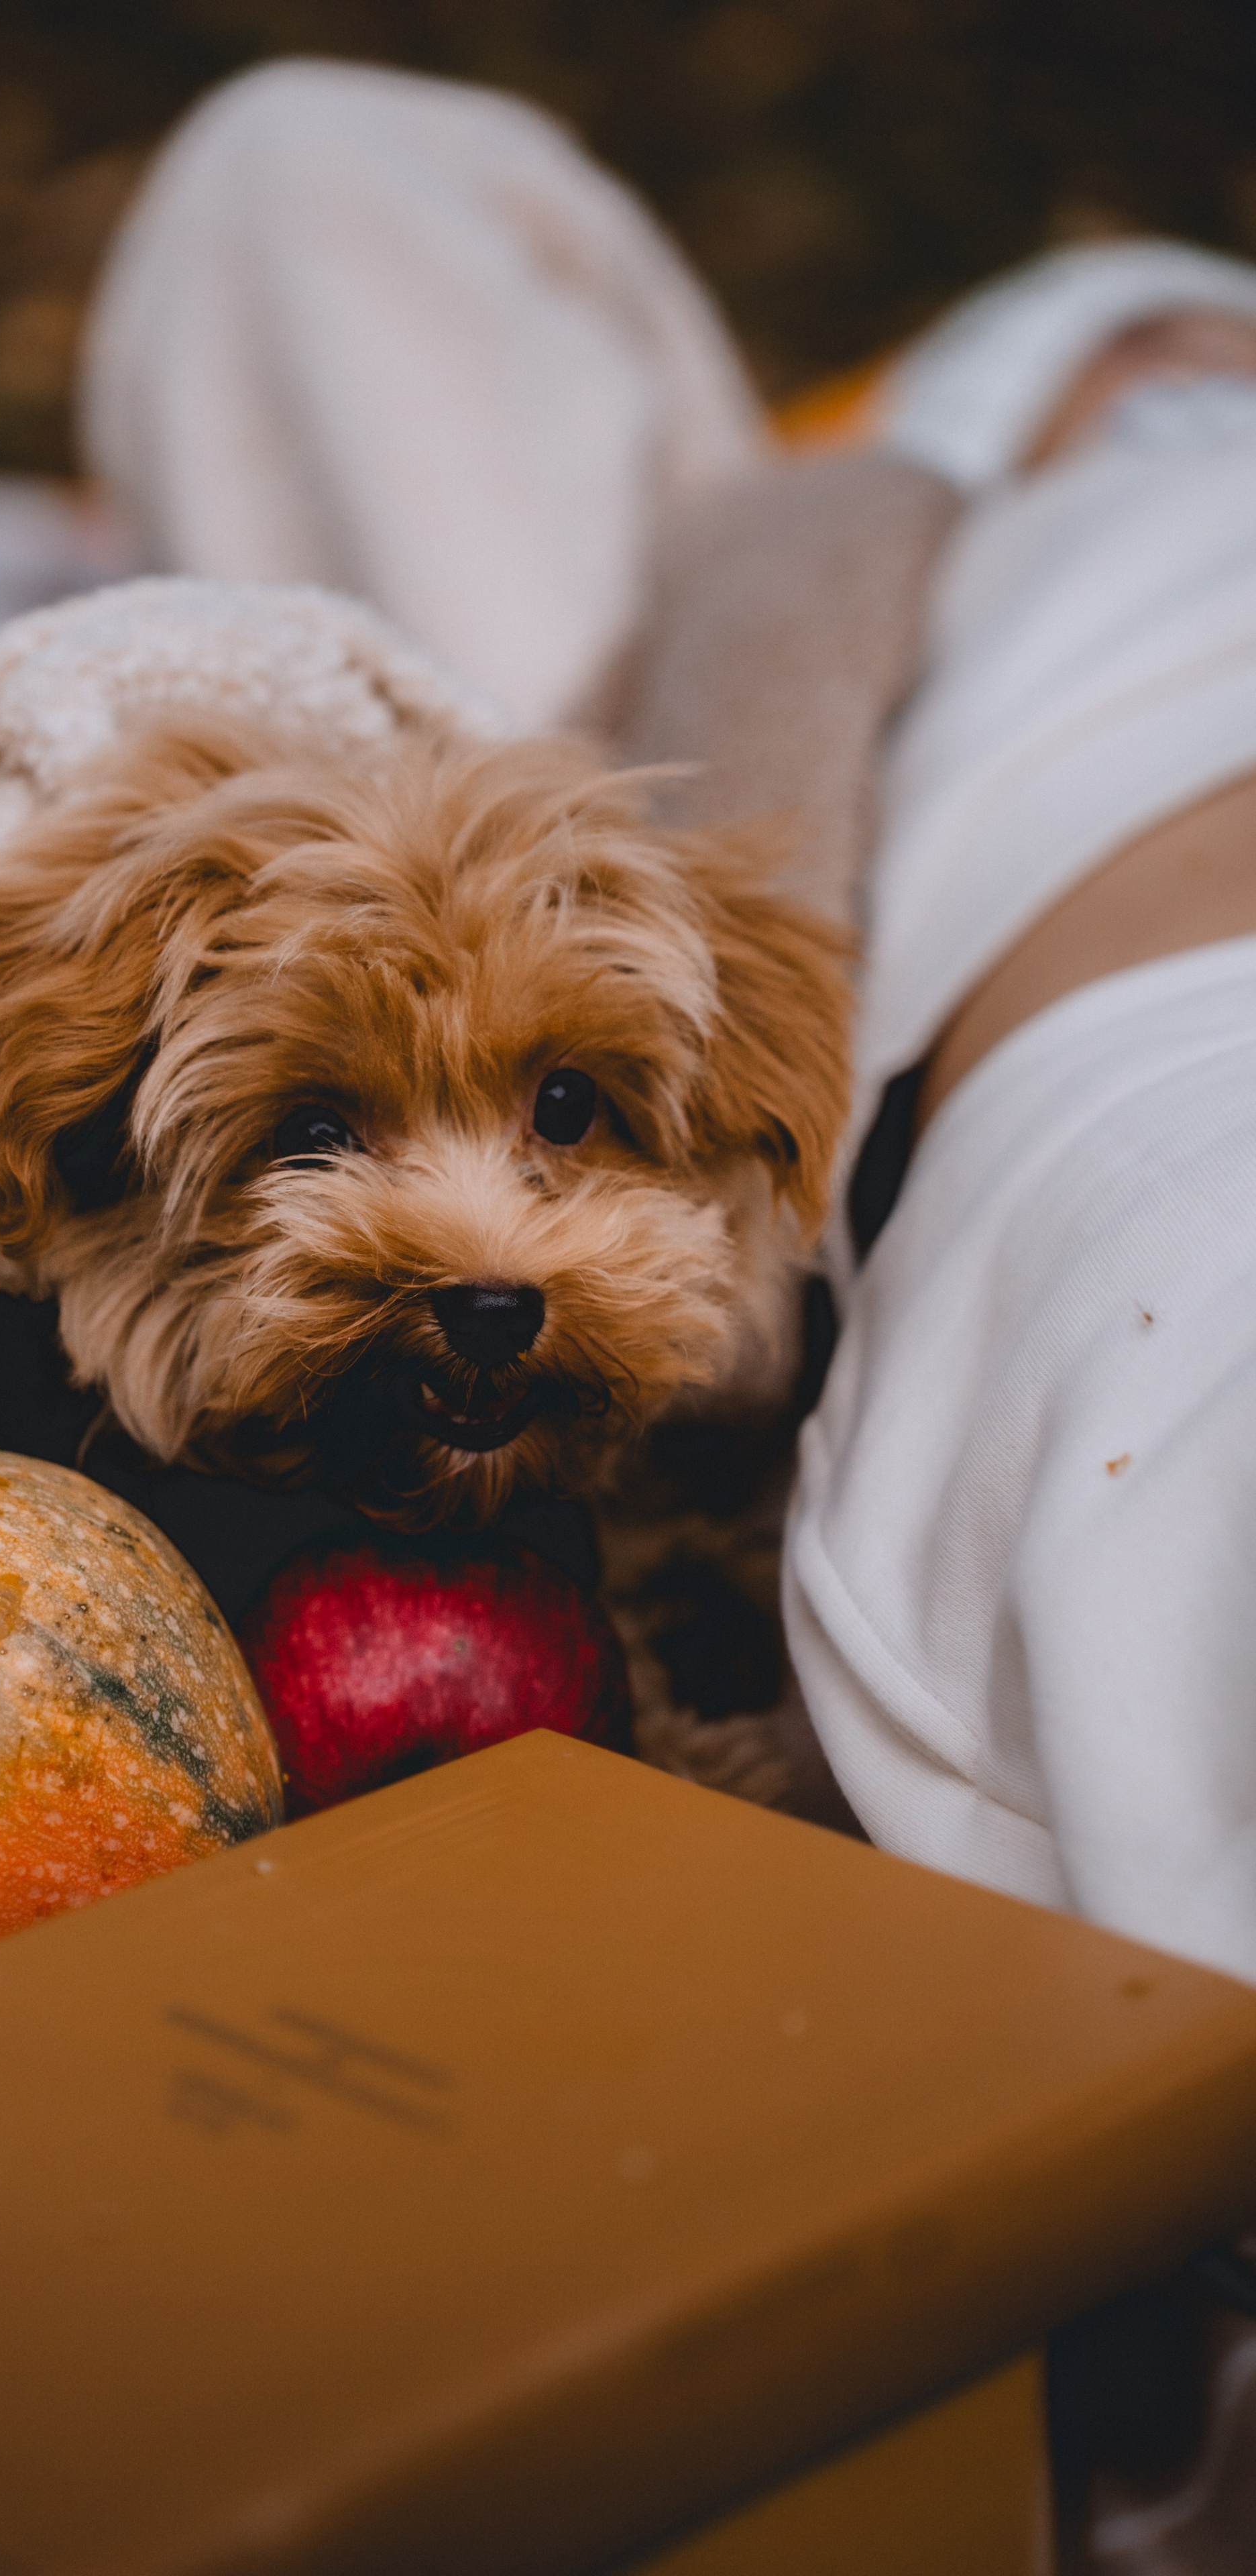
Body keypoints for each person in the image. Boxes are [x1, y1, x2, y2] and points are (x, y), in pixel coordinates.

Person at [85, 58, 1256, 1996]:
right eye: (1153, 370)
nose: (1199, 383)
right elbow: (710, 791)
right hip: (1173, 1053)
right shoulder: (867, 548)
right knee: (303, 152)